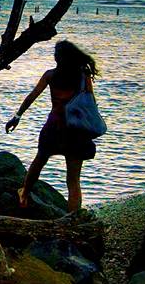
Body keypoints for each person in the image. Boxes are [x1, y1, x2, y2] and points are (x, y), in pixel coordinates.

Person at [5, 40, 99, 212]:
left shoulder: (51, 75)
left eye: (56, 53)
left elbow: (32, 96)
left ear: (59, 58)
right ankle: (73, 219)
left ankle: (24, 193)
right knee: (73, 181)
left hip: (54, 127)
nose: (54, 56)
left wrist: (17, 116)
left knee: (39, 160)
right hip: (76, 131)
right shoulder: (83, 76)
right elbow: (91, 102)